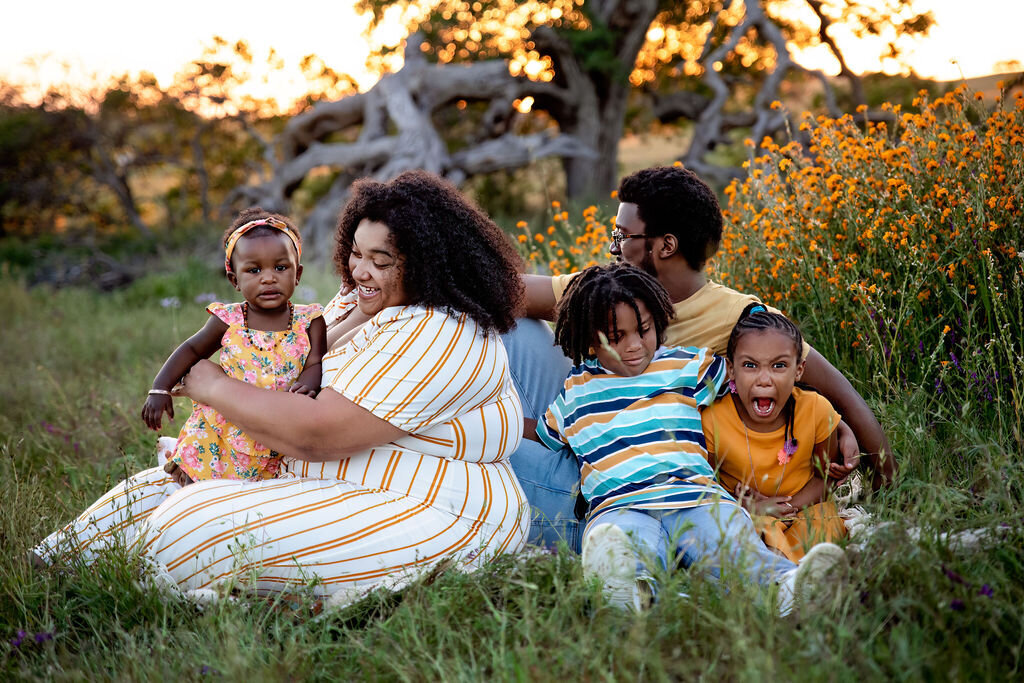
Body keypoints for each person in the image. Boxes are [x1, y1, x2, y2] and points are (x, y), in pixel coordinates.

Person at [33, 170, 530, 604]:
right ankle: (52, 570)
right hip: (313, 481)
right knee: (164, 485)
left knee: (193, 522)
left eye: (382, 261)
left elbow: (316, 431)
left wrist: (212, 385)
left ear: (426, 263)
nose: (361, 271)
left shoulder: (441, 329)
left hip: (433, 509)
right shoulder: (361, 301)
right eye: (356, 254)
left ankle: (207, 591)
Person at [510, 165, 892, 550]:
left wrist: (867, 460)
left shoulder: (740, 320)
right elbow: (508, 291)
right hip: (589, 428)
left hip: (653, 487)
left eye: (622, 237)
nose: (614, 248)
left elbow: (835, 389)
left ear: (665, 246)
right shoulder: (605, 294)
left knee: (480, 444)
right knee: (508, 323)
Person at [533, 263, 844, 612]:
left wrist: (833, 421)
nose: (634, 346)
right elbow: (542, 435)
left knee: (729, 544)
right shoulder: (576, 391)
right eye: (616, 337)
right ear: (591, 338)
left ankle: (786, 588)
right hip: (620, 505)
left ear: (659, 322)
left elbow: (757, 370)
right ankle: (627, 595)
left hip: (695, 497)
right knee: (624, 546)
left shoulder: (687, 365)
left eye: (644, 330)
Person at [141, 209, 326, 484]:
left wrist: (309, 383)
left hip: (277, 428)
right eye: (254, 270)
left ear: (297, 274)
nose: (268, 278)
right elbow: (191, 350)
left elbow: (315, 361)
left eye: (280, 267)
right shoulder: (229, 320)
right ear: (234, 280)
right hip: (223, 427)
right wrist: (160, 387)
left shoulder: (309, 320)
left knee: (258, 499)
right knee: (200, 485)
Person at [703, 306, 849, 562]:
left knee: (825, 525)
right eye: (750, 365)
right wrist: (751, 507)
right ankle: (781, 576)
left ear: (799, 370)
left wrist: (785, 508)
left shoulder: (816, 410)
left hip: (805, 506)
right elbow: (707, 487)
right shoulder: (713, 419)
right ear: (731, 369)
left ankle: (797, 576)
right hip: (747, 512)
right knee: (753, 532)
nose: (764, 379)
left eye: (779, 365)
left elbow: (824, 478)